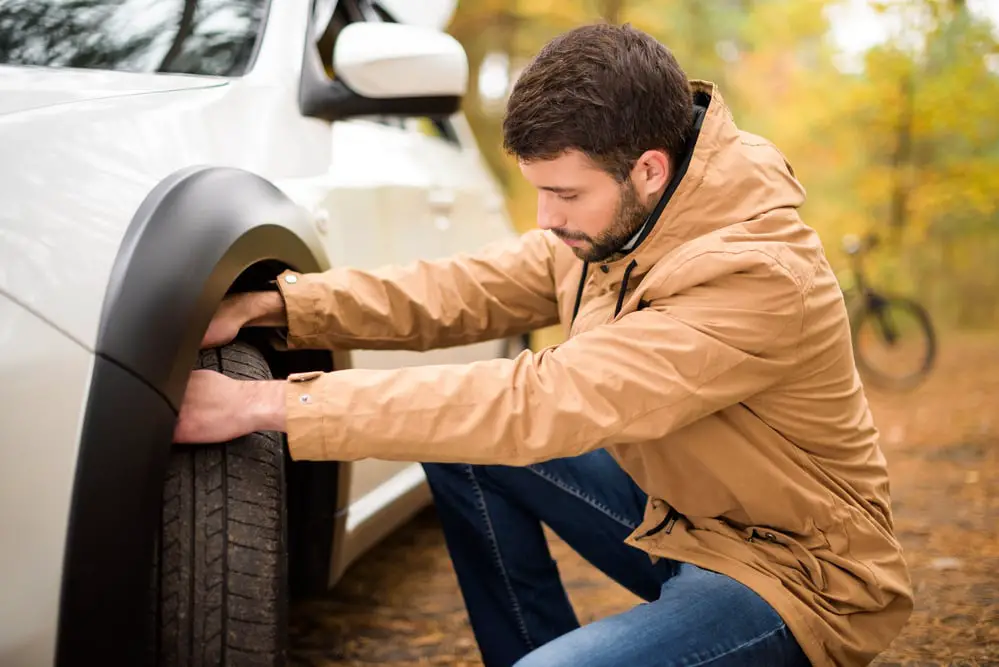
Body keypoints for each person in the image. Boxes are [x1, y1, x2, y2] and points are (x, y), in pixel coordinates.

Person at [174, 23, 913, 667]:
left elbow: (545, 400)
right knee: (459, 438)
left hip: (788, 570)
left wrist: (265, 402)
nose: (545, 217)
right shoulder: (623, 221)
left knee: (491, 420)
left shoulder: (756, 272)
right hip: (676, 513)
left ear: (647, 170)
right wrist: (279, 304)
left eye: (563, 194)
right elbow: (463, 288)